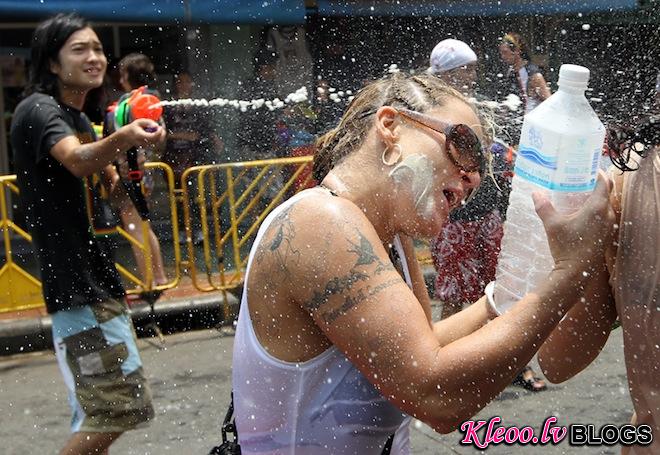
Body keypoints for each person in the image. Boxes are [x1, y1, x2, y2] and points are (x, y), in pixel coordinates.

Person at [231, 72, 614, 453]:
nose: (473, 176)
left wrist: (505, 299)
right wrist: (568, 274)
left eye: (480, 163)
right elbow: (435, 395)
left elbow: (424, 346)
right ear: (390, 126)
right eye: (464, 147)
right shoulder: (320, 223)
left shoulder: (390, 237)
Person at [10, 13, 164, 454]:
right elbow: (77, 160)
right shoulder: (39, 110)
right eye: (80, 49)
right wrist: (123, 137)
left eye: (98, 48)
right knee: (117, 408)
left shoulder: (77, 117)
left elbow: (111, 195)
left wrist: (134, 147)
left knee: (101, 409)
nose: (94, 57)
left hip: (97, 281)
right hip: (77, 291)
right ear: (53, 63)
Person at [428, 39, 546, 392]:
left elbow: (488, 149)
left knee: (502, 291)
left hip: (488, 212)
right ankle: (445, 369)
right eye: (467, 68)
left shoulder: (472, 106)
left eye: (474, 68)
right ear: (449, 72)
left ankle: (512, 365)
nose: (473, 75)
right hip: (452, 220)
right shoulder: (431, 108)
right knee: (453, 295)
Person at [538, 114, 659, 455]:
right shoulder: (627, 182)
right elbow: (557, 362)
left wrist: (572, 265)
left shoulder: (628, 180)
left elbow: (558, 361)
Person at [108, 52, 168, 293]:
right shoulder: (149, 100)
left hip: (132, 172)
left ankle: (149, 282)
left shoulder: (131, 103)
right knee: (143, 224)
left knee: (134, 226)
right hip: (144, 171)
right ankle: (160, 277)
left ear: (126, 76)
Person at [162, 71, 222, 245]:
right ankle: (182, 232)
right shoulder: (168, 106)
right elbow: (161, 131)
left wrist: (213, 138)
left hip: (195, 155)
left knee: (197, 194)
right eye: (181, 82)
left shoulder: (197, 105)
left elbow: (206, 126)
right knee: (178, 197)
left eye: (188, 82)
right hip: (173, 157)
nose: (185, 85)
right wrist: (181, 135)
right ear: (176, 84)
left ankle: (199, 231)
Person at [498, 32, 551, 115]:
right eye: (501, 53)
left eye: (505, 52)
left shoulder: (533, 74)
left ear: (517, 51)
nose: (502, 56)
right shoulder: (510, 72)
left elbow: (549, 102)